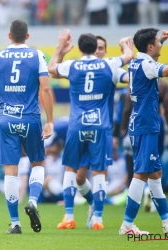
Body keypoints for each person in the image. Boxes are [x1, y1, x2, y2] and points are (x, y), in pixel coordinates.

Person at [48, 30, 133, 230]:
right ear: (95, 48)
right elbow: (129, 57)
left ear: (78, 49)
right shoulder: (108, 64)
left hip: (77, 125)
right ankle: (98, 220)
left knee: (70, 169)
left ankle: (69, 217)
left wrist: (61, 47)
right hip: (100, 125)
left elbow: (51, 69)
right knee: (100, 172)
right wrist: (125, 44)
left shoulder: (72, 65)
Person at [0, 19, 54, 234]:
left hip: (6, 120)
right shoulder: (36, 55)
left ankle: (15, 223)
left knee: (10, 172)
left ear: (9, 36)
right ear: (27, 37)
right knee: (38, 163)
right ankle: (32, 201)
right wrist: (49, 121)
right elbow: (46, 89)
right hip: (30, 118)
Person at [75, 35, 130, 227]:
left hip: (103, 129)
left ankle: (98, 216)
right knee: (79, 178)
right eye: (96, 48)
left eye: (101, 48)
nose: (98, 51)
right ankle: (92, 203)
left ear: (106, 51)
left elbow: (127, 78)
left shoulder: (111, 69)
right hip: (82, 127)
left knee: (100, 173)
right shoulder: (81, 70)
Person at [119, 28, 168, 235]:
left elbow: (153, 63)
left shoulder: (138, 62)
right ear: (149, 46)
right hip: (145, 126)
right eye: (157, 42)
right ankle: (127, 224)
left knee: (155, 174)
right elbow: (163, 70)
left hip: (143, 124)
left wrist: (162, 40)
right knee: (141, 174)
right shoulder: (147, 64)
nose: (159, 44)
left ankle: (166, 223)